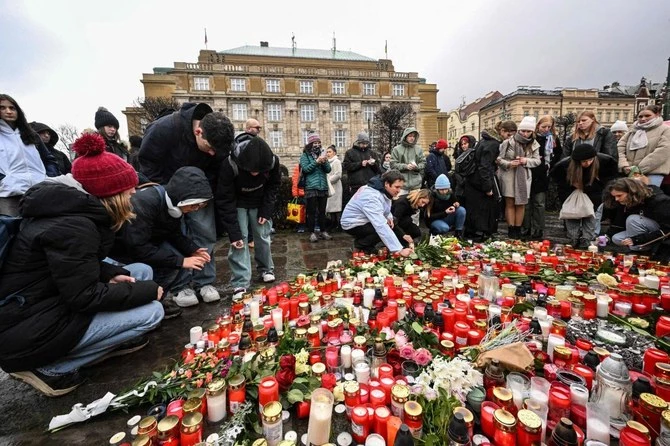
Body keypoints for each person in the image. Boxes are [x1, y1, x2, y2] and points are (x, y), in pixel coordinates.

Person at [0, 132, 164, 396]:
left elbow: (69, 265)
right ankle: (53, 368)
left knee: (138, 273)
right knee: (151, 311)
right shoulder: (75, 225)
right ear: (109, 192)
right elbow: (84, 296)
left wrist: (110, 273)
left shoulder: (70, 209)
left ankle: (106, 342)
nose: (134, 191)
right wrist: (147, 291)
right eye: (128, 186)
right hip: (30, 329)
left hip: (43, 305)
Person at [139, 103, 234, 303]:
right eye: (209, 148)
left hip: (201, 195)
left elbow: (217, 169)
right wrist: (165, 194)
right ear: (198, 132)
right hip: (170, 196)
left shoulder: (217, 142)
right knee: (176, 236)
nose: (211, 154)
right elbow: (147, 164)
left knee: (205, 235)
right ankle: (181, 286)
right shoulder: (163, 129)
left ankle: (205, 282)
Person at [109, 166, 214, 310]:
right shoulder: (144, 204)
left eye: (199, 206)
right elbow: (139, 249)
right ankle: (147, 301)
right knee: (170, 263)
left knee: (174, 259)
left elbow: (173, 233)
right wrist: (181, 261)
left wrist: (192, 249)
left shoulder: (172, 204)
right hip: (122, 252)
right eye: (194, 205)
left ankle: (157, 297)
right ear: (181, 198)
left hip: (147, 243)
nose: (195, 209)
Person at [216, 135, 280, 299]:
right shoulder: (230, 164)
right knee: (240, 240)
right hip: (237, 203)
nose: (255, 174)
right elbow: (225, 199)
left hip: (260, 202)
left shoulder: (272, 162)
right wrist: (233, 232)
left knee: (262, 235)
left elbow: (273, 187)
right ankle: (240, 282)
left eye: (259, 171)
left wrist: (266, 211)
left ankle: (266, 268)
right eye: (252, 170)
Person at [0, 94, 59, 216]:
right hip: (10, 195)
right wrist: (4, 181)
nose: (8, 111)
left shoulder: (31, 135)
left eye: (12, 108)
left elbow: (49, 160)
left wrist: (49, 178)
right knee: (12, 231)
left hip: (40, 191)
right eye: (2, 108)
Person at [551, 144, 618, 248]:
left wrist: (589, 187)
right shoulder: (563, 166)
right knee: (572, 215)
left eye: (590, 160)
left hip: (595, 192)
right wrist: (572, 184)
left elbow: (608, 179)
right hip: (572, 192)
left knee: (591, 216)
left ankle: (587, 239)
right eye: (584, 161)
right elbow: (558, 180)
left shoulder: (606, 162)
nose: (587, 163)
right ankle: (573, 238)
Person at [463, 121, 516, 240]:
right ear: (502, 131)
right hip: (480, 180)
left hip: (474, 179)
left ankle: (475, 232)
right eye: (509, 135)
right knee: (485, 207)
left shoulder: (485, 140)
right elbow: (485, 166)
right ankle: (481, 233)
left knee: (476, 207)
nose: (510, 138)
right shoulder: (493, 144)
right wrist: (488, 187)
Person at [341, 170, 413, 256]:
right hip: (352, 223)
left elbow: (385, 208)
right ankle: (359, 245)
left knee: (391, 223)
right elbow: (380, 225)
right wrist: (399, 250)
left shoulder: (381, 190)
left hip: (363, 219)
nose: (399, 191)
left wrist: (390, 218)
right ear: (386, 184)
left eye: (400, 187)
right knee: (380, 230)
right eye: (397, 187)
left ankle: (368, 246)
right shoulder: (371, 197)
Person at [497, 116, 541, 239]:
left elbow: (537, 161)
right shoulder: (508, 142)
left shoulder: (534, 144)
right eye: (523, 131)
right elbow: (499, 159)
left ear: (532, 132)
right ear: (519, 130)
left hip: (524, 176)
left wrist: (525, 161)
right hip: (509, 175)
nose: (525, 134)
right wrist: (509, 163)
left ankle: (518, 228)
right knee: (510, 202)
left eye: (528, 131)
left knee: (521, 204)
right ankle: (511, 229)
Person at [603, 177, 670, 253]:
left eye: (619, 195)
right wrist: (607, 237)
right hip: (647, 232)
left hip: (662, 231)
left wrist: (636, 240)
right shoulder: (629, 201)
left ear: (631, 192)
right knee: (617, 238)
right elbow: (619, 223)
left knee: (633, 219)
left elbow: (667, 230)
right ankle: (643, 247)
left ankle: (639, 251)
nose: (616, 199)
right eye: (614, 196)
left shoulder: (659, 201)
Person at [521, 116, 562, 240]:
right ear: (538, 125)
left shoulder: (553, 139)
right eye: (544, 127)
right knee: (527, 203)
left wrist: (550, 166)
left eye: (549, 127)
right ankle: (526, 227)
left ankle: (538, 228)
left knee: (539, 203)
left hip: (543, 174)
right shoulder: (532, 138)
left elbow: (558, 154)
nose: (546, 129)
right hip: (528, 171)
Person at [617, 105, 670, 187]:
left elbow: (662, 152)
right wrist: (624, 165)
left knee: (649, 197)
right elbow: (620, 147)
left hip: (653, 173)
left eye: (647, 116)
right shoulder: (633, 130)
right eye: (640, 116)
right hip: (630, 171)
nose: (643, 119)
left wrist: (638, 169)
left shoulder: (665, 130)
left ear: (657, 115)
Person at [300, 133, 332, 243]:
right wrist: (316, 162)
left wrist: (324, 161)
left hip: (322, 187)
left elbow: (328, 170)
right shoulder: (305, 155)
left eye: (319, 143)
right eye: (315, 143)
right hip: (311, 187)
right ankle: (312, 232)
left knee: (322, 211)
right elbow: (305, 169)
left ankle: (323, 231)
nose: (317, 145)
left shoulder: (322, 154)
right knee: (312, 211)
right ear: (310, 144)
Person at [239, 118, 263, 248]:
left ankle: (252, 239)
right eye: (256, 128)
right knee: (243, 224)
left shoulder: (259, 144)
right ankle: (248, 239)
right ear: (248, 128)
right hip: (242, 193)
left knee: (256, 220)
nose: (259, 130)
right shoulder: (242, 144)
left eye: (260, 128)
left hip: (255, 193)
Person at [343, 132, 380, 196]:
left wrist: (373, 164)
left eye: (366, 143)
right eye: (363, 143)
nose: (365, 145)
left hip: (370, 185)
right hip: (356, 185)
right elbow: (346, 166)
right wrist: (360, 164)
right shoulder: (350, 152)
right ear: (358, 142)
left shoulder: (372, 153)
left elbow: (378, 170)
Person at [390, 127, 426, 195]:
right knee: (400, 204)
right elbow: (392, 164)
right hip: (401, 186)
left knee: (415, 205)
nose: (412, 138)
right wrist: (405, 166)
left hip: (416, 185)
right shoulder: (397, 149)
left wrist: (416, 167)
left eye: (413, 136)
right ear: (405, 136)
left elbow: (423, 163)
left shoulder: (419, 149)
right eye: (410, 136)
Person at [325, 145, 343, 232]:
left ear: (334, 153)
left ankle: (337, 224)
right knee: (331, 206)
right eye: (327, 152)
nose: (328, 154)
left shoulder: (336, 161)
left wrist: (328, 181)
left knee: (336, 206)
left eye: (330, 152)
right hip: (329, 187)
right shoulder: (327, 162)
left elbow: (338, 174)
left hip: (335, 187)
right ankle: (333, 223)